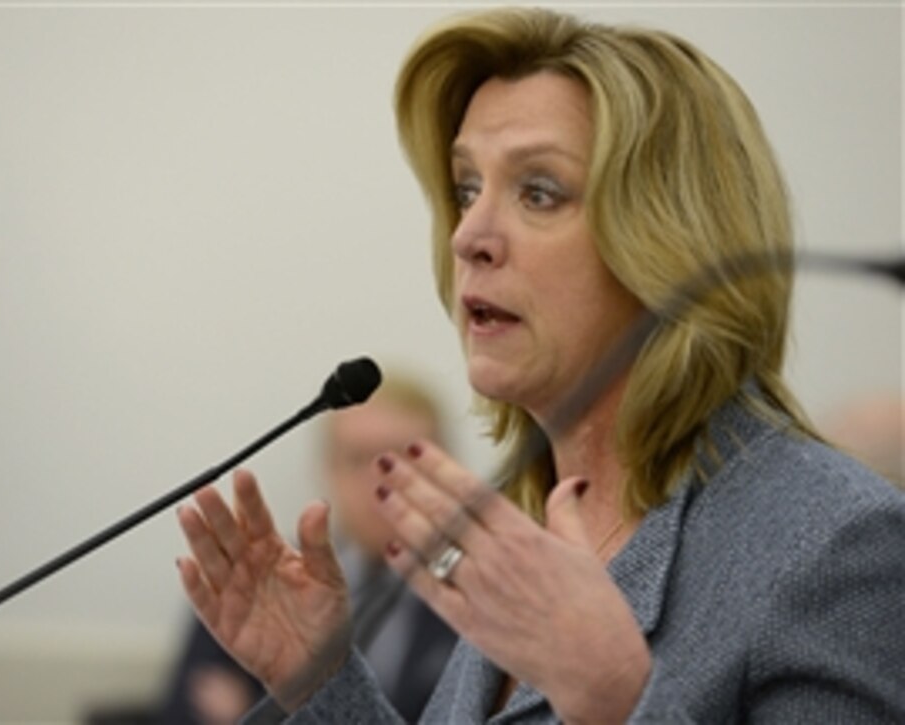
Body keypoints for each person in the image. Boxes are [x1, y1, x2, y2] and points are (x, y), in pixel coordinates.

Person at [173, 8, 905, 723]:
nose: (470, 236)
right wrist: (323, 684)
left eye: (539, 191)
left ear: (673, 241)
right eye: (466, 189)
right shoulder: (532, 525)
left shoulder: (841, 543)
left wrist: (619, 700)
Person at [159, 372, 457, 723]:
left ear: (444, 466)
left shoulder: (482, 597)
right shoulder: (256, 578)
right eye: (359, 459)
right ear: (328, 469)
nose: (380, 480)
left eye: (402, 459)